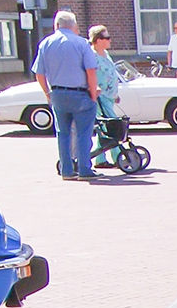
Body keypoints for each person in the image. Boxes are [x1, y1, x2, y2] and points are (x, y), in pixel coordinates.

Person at [32, 10, 101, 181]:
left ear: (56, 25)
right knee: (84, 133)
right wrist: (93, 94)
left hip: (57, 93)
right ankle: (84, 169)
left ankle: (67, 170)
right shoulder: (82, 43)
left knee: (63, 133)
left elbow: (39, 73)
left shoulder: (45, 44)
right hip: (80, 93)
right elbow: (91, 71)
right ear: (74, 25)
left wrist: (48, 93)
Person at [87, 24, 120, 169]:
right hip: (100, 97)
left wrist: (115, 94)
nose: (109, 40)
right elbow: (89, 75)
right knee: (112, 125)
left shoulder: (106, 54)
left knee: (104, 127)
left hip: (109, 96)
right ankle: (118, 156)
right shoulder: (92, 56)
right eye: (106, 38)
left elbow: (111, 74)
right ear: (98, 40)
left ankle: (100, 159)